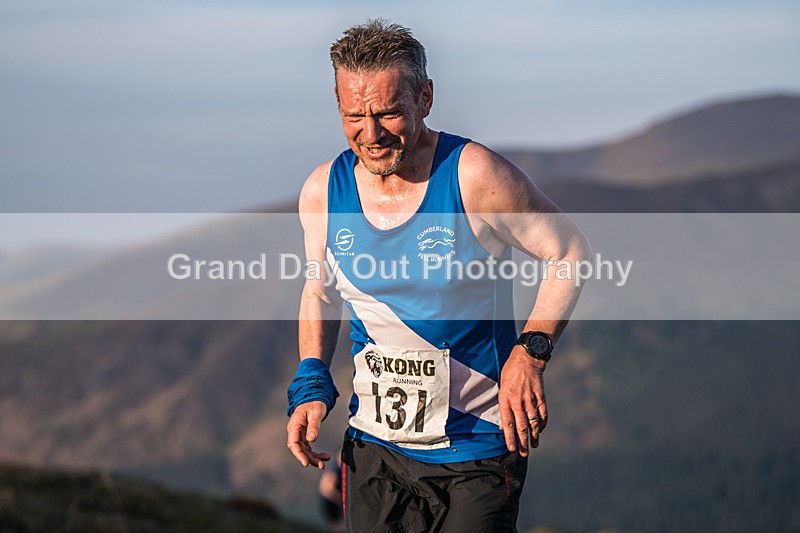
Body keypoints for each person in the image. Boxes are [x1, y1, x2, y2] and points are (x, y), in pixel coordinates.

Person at [286, 19, 591, 532]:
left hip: (476, 452)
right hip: (374, 449)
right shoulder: (323, 191)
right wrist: (311, 379)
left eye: (388, 113)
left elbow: (570, 252)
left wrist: (530, 352)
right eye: (354, 116)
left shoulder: (474, 176)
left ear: (425, 97)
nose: (371, 134)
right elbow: (320, 290)